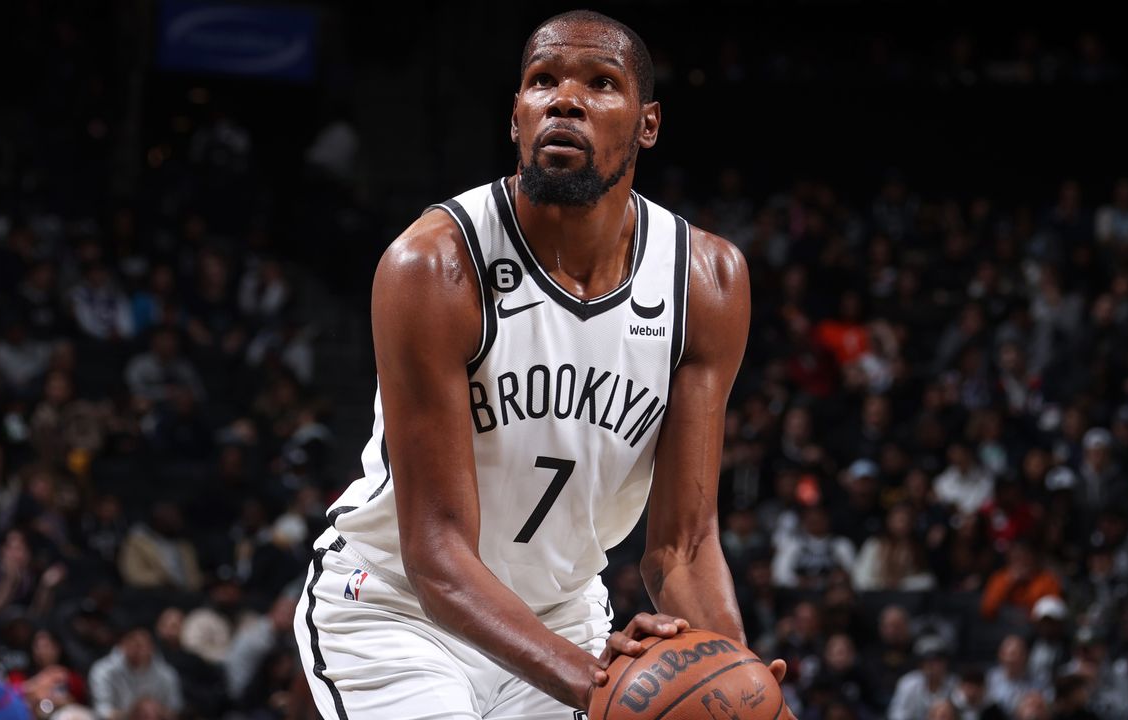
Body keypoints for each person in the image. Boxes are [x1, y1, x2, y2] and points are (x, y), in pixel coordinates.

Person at [293, 9, 790, 719]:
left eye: (601, 83)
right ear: (516, 117)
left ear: (648, 124)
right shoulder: (433, 265)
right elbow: (438, 555)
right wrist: (603, 688)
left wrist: (738, 687)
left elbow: (681, 548)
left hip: (563, 617)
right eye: (543, 80)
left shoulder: (704, 281)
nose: (565, 99)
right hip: (398, 609)